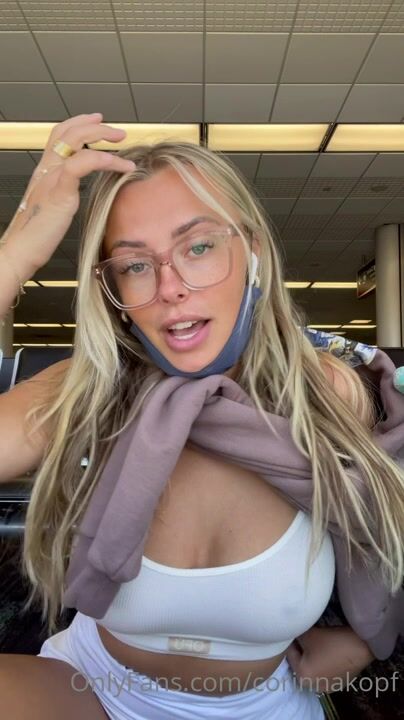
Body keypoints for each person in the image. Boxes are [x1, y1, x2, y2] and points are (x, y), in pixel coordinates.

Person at [0, 112, 402, 720]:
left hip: (264, 704)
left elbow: (379, 536)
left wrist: (365, 639)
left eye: (199, 246)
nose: (170, 286)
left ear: (254, 253)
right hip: (92, 688)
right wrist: (17, 252)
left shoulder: (326, 394)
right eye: (135, 264)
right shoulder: (88, 391)